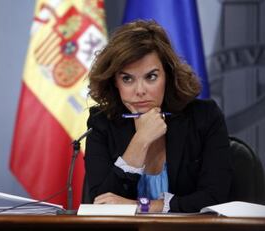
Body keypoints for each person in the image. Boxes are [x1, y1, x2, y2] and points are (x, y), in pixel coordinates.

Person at [84, 20, 232, 213]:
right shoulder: (101, 123)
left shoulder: (204, 117)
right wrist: (140, 141)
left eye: (151, 77)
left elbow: (215, 198)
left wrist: (143, 207)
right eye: (127, 78)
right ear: (115, 82)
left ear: (167, 76)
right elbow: (101, 205)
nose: (140, 91)